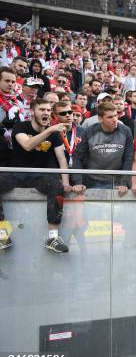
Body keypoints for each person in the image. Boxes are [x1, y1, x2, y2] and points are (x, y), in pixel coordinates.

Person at [0, 98, 72, 252]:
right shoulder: (21, 126)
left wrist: (65, 181)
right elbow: (27, 145)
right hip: (17, 173)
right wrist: (49, 131)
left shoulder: (53, 133)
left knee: (57, 185)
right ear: (32, 112)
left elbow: (61, 158)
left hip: (39, 175)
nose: (46, 113)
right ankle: (1, 234)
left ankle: (52, 238)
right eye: (42, 110)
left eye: (48, 110)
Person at [72, 102, 134, 193]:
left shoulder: (126, 131)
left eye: (116, 115)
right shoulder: (89, 131)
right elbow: (77, 157)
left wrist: (123, 182)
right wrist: (78, 182)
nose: (115, 119)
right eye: (110, 117)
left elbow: (128, 158)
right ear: (100, 119)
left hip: (117, 182)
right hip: (92, 181)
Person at [52, 100, 83, 168]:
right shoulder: (52, 132)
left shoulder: (83, 131)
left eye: (70, 112)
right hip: (58, 172)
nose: (68, 115)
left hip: (78, 172)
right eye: (63, 113)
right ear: (55, 116)